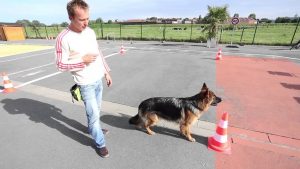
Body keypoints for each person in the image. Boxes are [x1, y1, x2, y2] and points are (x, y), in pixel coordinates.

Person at [55, 0, 112, 158]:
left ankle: (94, 128)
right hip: (85, 84)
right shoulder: (63, 38)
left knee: (95, 112)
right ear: (70, 17)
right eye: (82, 19)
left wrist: (106, 71)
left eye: (88, 18)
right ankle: (100, 143)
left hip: (98, 80)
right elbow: (60, 65)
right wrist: (82, 61)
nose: (86, 23)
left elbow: (98, 52)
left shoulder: (90, 32)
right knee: (93, 114)